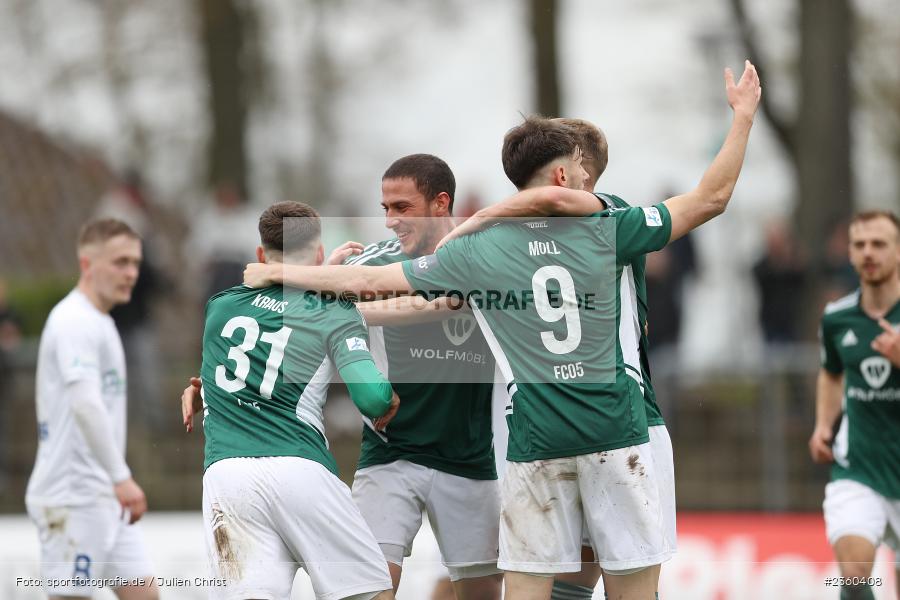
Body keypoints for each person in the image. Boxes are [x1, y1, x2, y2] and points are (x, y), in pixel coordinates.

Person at [243, 60, 761, 600]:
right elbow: (711, 198)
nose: (586, 182)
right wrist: (743, 117)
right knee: (627, 586)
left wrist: (282, 273)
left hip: (535, 437)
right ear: (564, 175)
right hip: (618, 428)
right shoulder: (611, 224)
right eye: (578, 173)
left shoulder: (477, 250)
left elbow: (373, 282)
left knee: (528, 588)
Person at [460, 116, 679, 600]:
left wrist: (475, 222)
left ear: (580, 171)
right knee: (591, 568)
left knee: (608, 566)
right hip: (588, 419)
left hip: (604, 418)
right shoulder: (565, 228)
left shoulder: (607, 215)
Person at [188, 201, 398, 600]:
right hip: (299, 468)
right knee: (369, 592)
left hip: (226, 478)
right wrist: (389, 399)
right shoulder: (334, 309)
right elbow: (371, 397)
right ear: (319, 254)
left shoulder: (219, 307)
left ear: (261, 257)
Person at [340, 155, 503, 600]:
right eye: (385, 208)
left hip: (469, 459)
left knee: (482, 594)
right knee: (369, 589)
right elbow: (307, 315)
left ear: (440, 203)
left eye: (402, 207)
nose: (390, 220)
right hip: (392, 454)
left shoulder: (486, 260)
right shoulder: (372, 265)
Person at [25, 218, 158, 600]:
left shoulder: (100, 321)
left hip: (105, 496)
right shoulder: (73, 321)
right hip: (73, 497)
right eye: (119, 262)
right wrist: (121, 476)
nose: (131, 273)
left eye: (135, 263)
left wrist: (114, 481)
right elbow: (85, 403)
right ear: (87, 264)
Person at [809, 210, 900, 600]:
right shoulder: (837, 318)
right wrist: (823, 426)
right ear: (849, 253)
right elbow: (831, 373)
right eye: (860, 244)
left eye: (879, 243)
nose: (868, 252)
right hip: (858, 466)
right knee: (854, 573)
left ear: (897, 251)